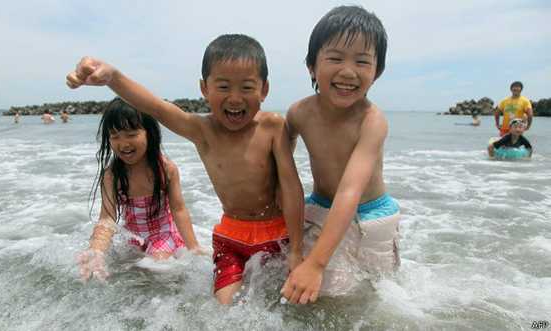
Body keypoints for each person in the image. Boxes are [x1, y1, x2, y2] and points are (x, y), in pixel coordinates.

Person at [66, 34, 304, 304]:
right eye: (223, 86)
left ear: (264, 89)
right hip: (231, 237)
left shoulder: (272, 127)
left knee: (289, 304)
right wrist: (112, 77)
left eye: (247, 87)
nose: (235, 98)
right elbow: (156, 106)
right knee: (225, 310)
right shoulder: (202, 131)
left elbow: (292, 188)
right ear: (204, 88)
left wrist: (297, 250)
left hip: (276, 232)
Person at [281, 5, 401, 304]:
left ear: (377, 72)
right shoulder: (299, 113)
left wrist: (317, 264)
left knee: (374, 298)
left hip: (371, 216)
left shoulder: (372, 121)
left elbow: (350, 190)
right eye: (335, 58)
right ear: (311, 65)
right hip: (321, 208)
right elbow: (281, 168)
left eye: (362, 61)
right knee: (309, 294)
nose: (348, 72)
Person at [76, 97, 204, 282]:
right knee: (120, 274)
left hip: (162, 234)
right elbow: (107, 218)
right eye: (115, 136)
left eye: (131, 134)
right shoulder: (112, 175)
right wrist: (96, 249)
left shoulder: (166, 169)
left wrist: (193, 248)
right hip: (133, 237)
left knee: (158, 270)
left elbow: (179, 209)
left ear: (149, 133)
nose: (123, 143)